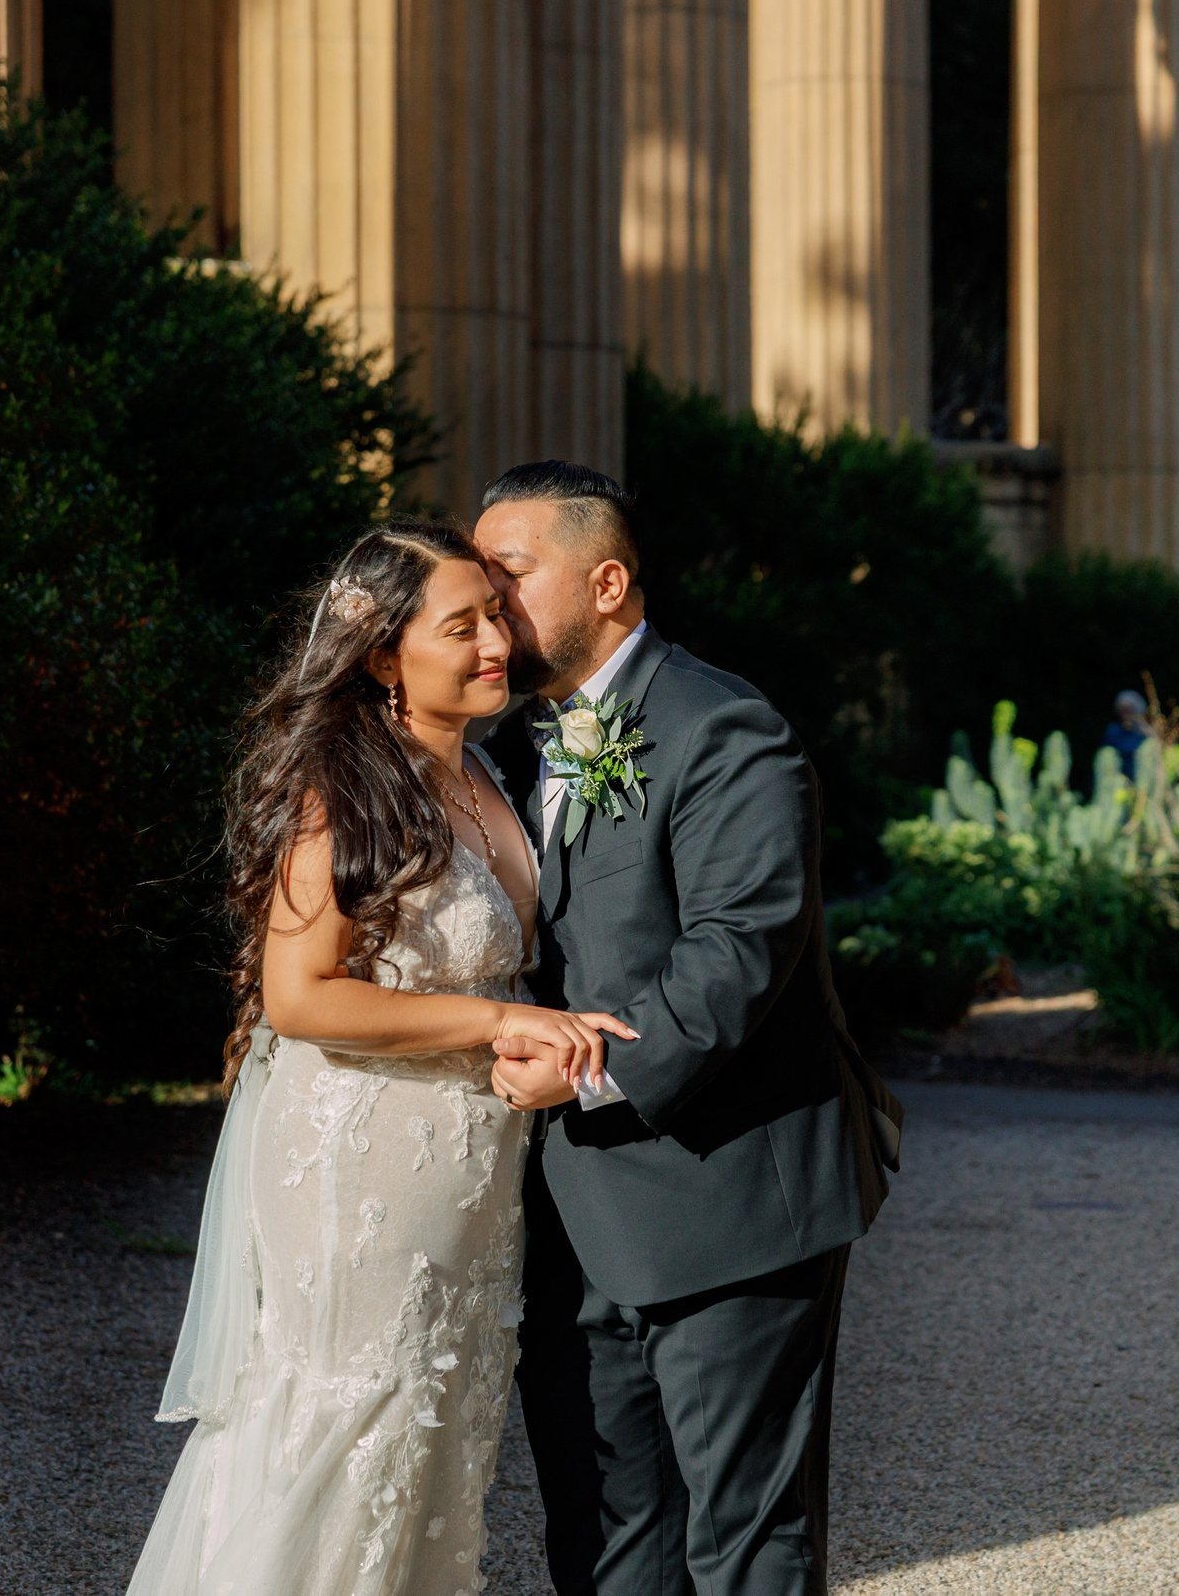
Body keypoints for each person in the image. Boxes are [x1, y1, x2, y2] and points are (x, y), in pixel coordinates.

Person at [129, 522, 636, 1596]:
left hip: (468, 1172)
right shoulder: (342, 786)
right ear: (379, 654)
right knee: (349, 1418)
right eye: (462, 625)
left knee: (436, 1435)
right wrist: (497, 1025)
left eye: (495, 614)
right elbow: (300, 994)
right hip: (360, 1162)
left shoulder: (492, 776)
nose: (497, 641)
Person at [473, 462, 901, 1596]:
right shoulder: (497, 748)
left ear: (607, 582)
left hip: (729, 1201)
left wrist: (579, 1070)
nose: (487, 608)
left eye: (509, 576)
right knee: (605, 1538)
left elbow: (740, 950)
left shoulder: (726, 729)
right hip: (564, 1220)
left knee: (746, 1539)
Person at [1101, 689, 1152, 778]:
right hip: (1118, 777)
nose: (1126, 713)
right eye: (1123, 710)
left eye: (1130, 710)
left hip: (1139, 775)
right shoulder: (1113, 730)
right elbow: (1107, 753)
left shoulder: (1144, 731)